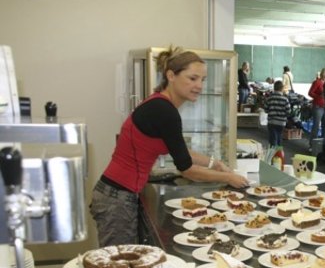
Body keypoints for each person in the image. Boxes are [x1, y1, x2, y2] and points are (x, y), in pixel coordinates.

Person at [90, 46, 248, 247]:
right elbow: (187, 169)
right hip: (117, 196)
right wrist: (228, 177)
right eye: (192, 78)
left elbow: (180, 151)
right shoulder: (164, 110)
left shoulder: (160, 104)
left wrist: (215, 164)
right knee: (118, 261)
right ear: (171, 76)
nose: (199, 86)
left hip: (116, 193)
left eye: (202, 79)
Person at [307, 66, 325, 153]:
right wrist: (319, 96)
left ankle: (322, 145)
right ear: (323, 73)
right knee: (316, 126)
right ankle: (312, 145)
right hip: (318, 106)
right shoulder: (317, 82)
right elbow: (310, 93)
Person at [264, 80, 290, 147]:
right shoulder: (285, 99)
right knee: (279, 138)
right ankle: (279, 152)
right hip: (281, 123)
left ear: (274, 88)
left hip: (272, 122)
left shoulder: (269, 98)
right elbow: (288, 111)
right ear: (282, 88)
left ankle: (272, 152)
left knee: (272, 140)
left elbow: (266, 110)